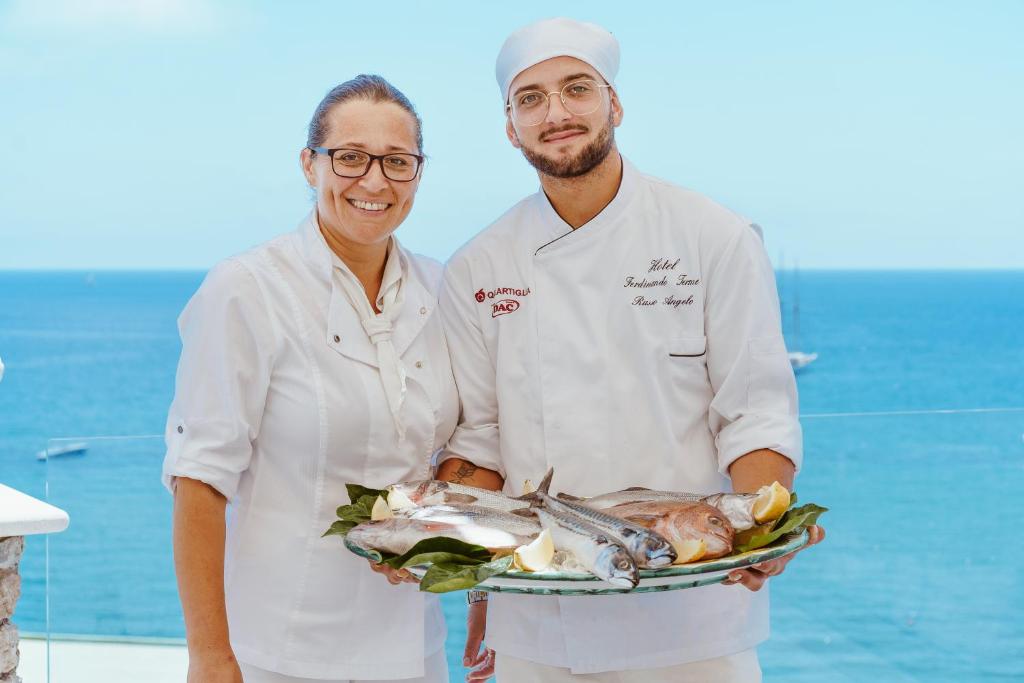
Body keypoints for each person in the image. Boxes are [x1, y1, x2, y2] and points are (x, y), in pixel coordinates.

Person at [436, 17, 825, 683]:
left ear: (614, 103)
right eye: (530, 99)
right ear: (510, 127)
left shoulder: (715, 238)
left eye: (576, 89)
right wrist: (467, 570)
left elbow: (754, 413)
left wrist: (763, 528)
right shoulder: (476, 267)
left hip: (694, 611)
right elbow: (480, 444)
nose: (555, 113)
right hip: (539, 618)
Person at [162, 74, 456, 683]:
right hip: (279, 649)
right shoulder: (246, 289)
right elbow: (199, 482)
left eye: (397, 162)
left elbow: (465, 446)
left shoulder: (441, 288)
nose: (374, 182)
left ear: (418, 174)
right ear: (310, 165)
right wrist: (211, 657)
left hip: (415, 645)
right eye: (350, 158)